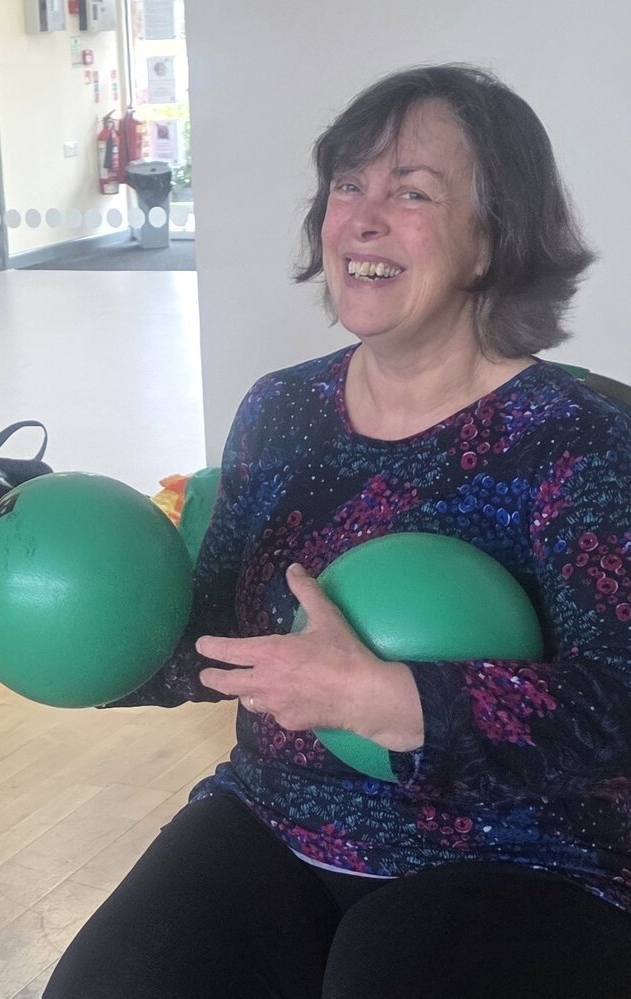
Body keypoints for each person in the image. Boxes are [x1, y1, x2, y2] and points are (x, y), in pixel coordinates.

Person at [46, 65, 631, 998]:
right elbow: (224, 633)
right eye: (348, 185)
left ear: (493, 238)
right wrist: (91, 633)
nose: (361, 216)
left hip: (525, 851)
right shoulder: (282, 411)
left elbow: (616, 699)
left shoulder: (581, 441)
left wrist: (395, 700)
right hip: (281, 818)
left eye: (412, 193)